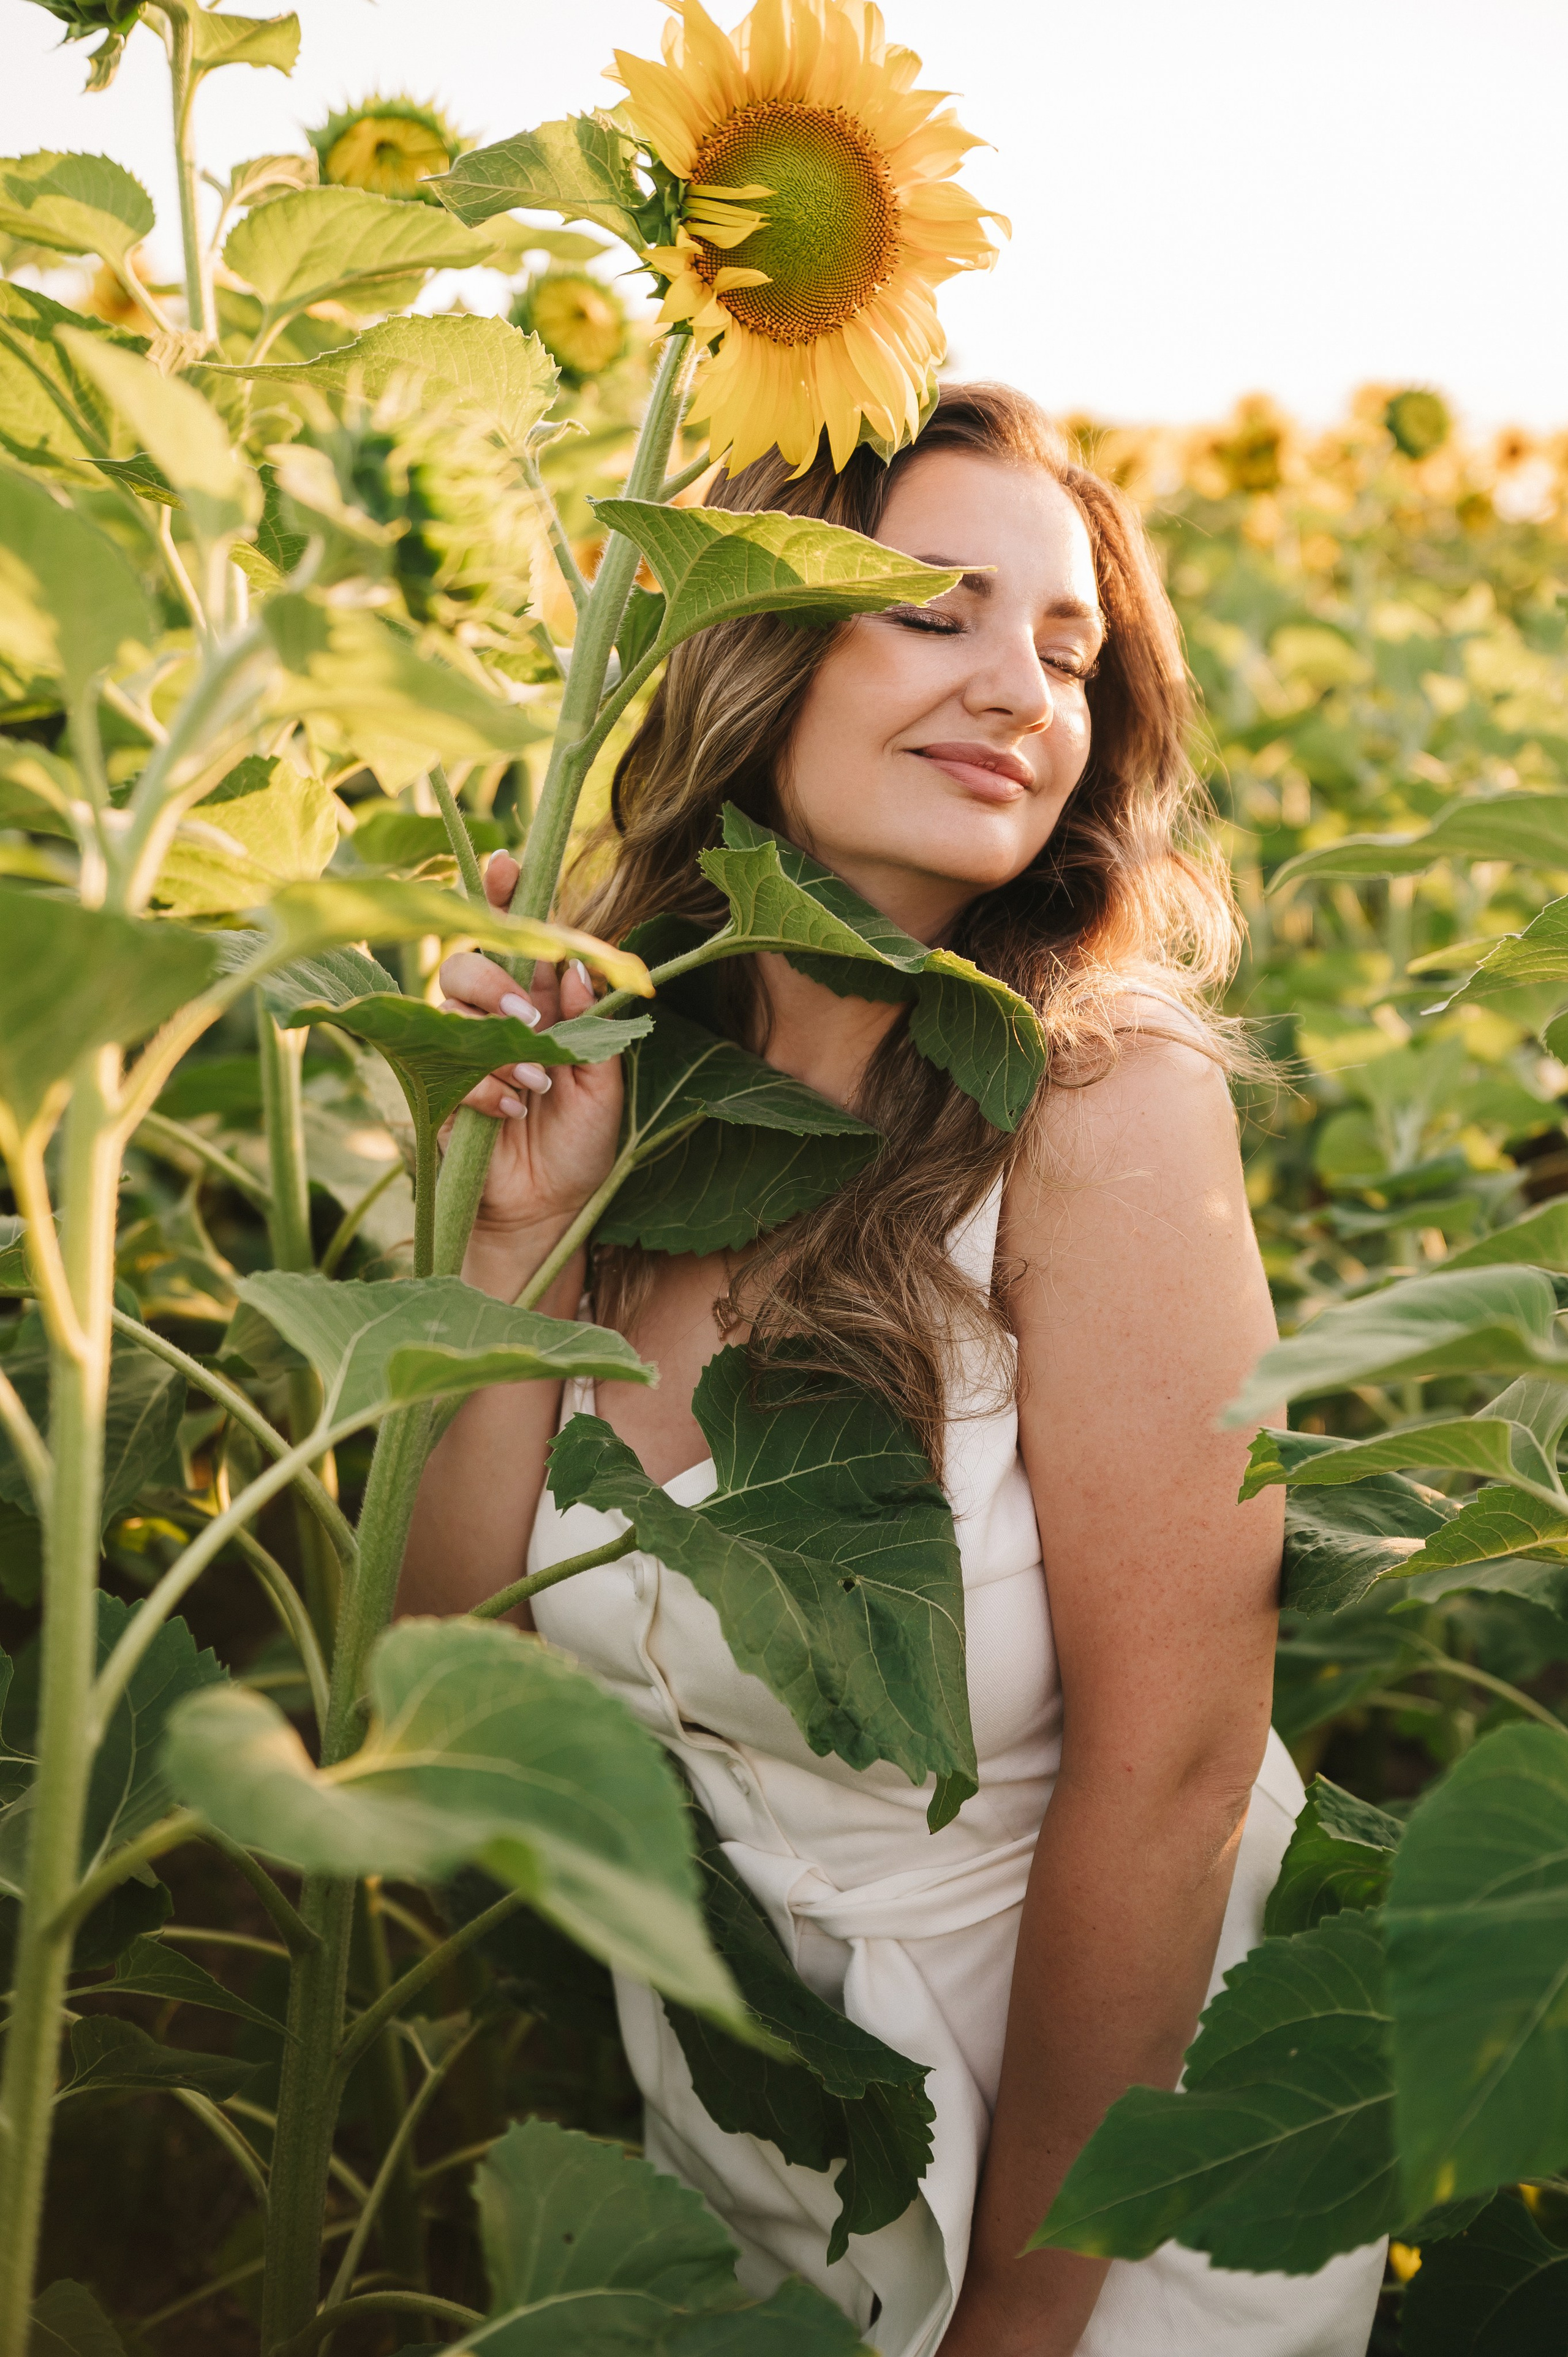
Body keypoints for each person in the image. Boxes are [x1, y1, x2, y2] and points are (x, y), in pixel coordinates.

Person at [401, 382, 1385, 2356]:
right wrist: (509, 1240)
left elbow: (1178, 1764)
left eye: (1071, 646)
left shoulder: (1100, 1102)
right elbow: (449, 1683)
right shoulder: (621, 1085)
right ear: (746, 639)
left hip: (1100, 2172)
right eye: (936, 608)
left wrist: (1018, 2320)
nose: (1020, 684)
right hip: (751, 2132)